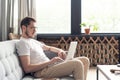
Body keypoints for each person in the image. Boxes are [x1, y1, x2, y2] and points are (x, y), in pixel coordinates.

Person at [16, 17, 90, 80]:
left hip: (51, 66)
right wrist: (50, 62)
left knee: (85, 60)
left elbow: (49, 48)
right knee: (77, 64)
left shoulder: (33, 41)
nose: (35, 31)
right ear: (24, 28)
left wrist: (60, 51)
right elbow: (27, 68)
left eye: (35, 28)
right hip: (42, 71)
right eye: (32, 28)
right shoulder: (23, 43)